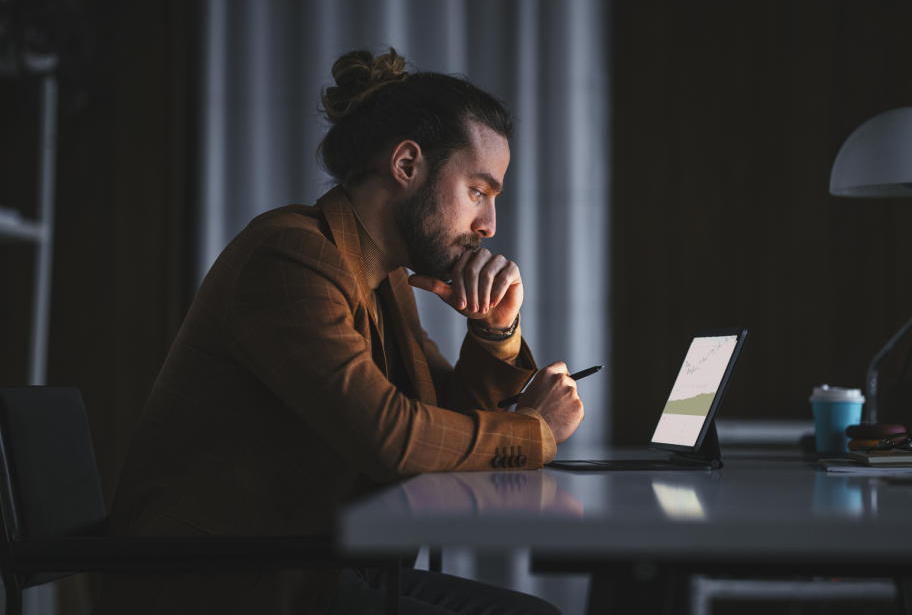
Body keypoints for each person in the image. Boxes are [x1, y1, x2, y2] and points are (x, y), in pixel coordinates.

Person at [94, 48, 585, 614]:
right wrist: (534, 431)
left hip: (314, 574)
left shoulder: (382, 280)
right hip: (228, 587)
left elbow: (441, 413)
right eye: (478, 191)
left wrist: (494, 333)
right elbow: (395, 440)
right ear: (406, 165)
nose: (489, 226)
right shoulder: (289, 256)